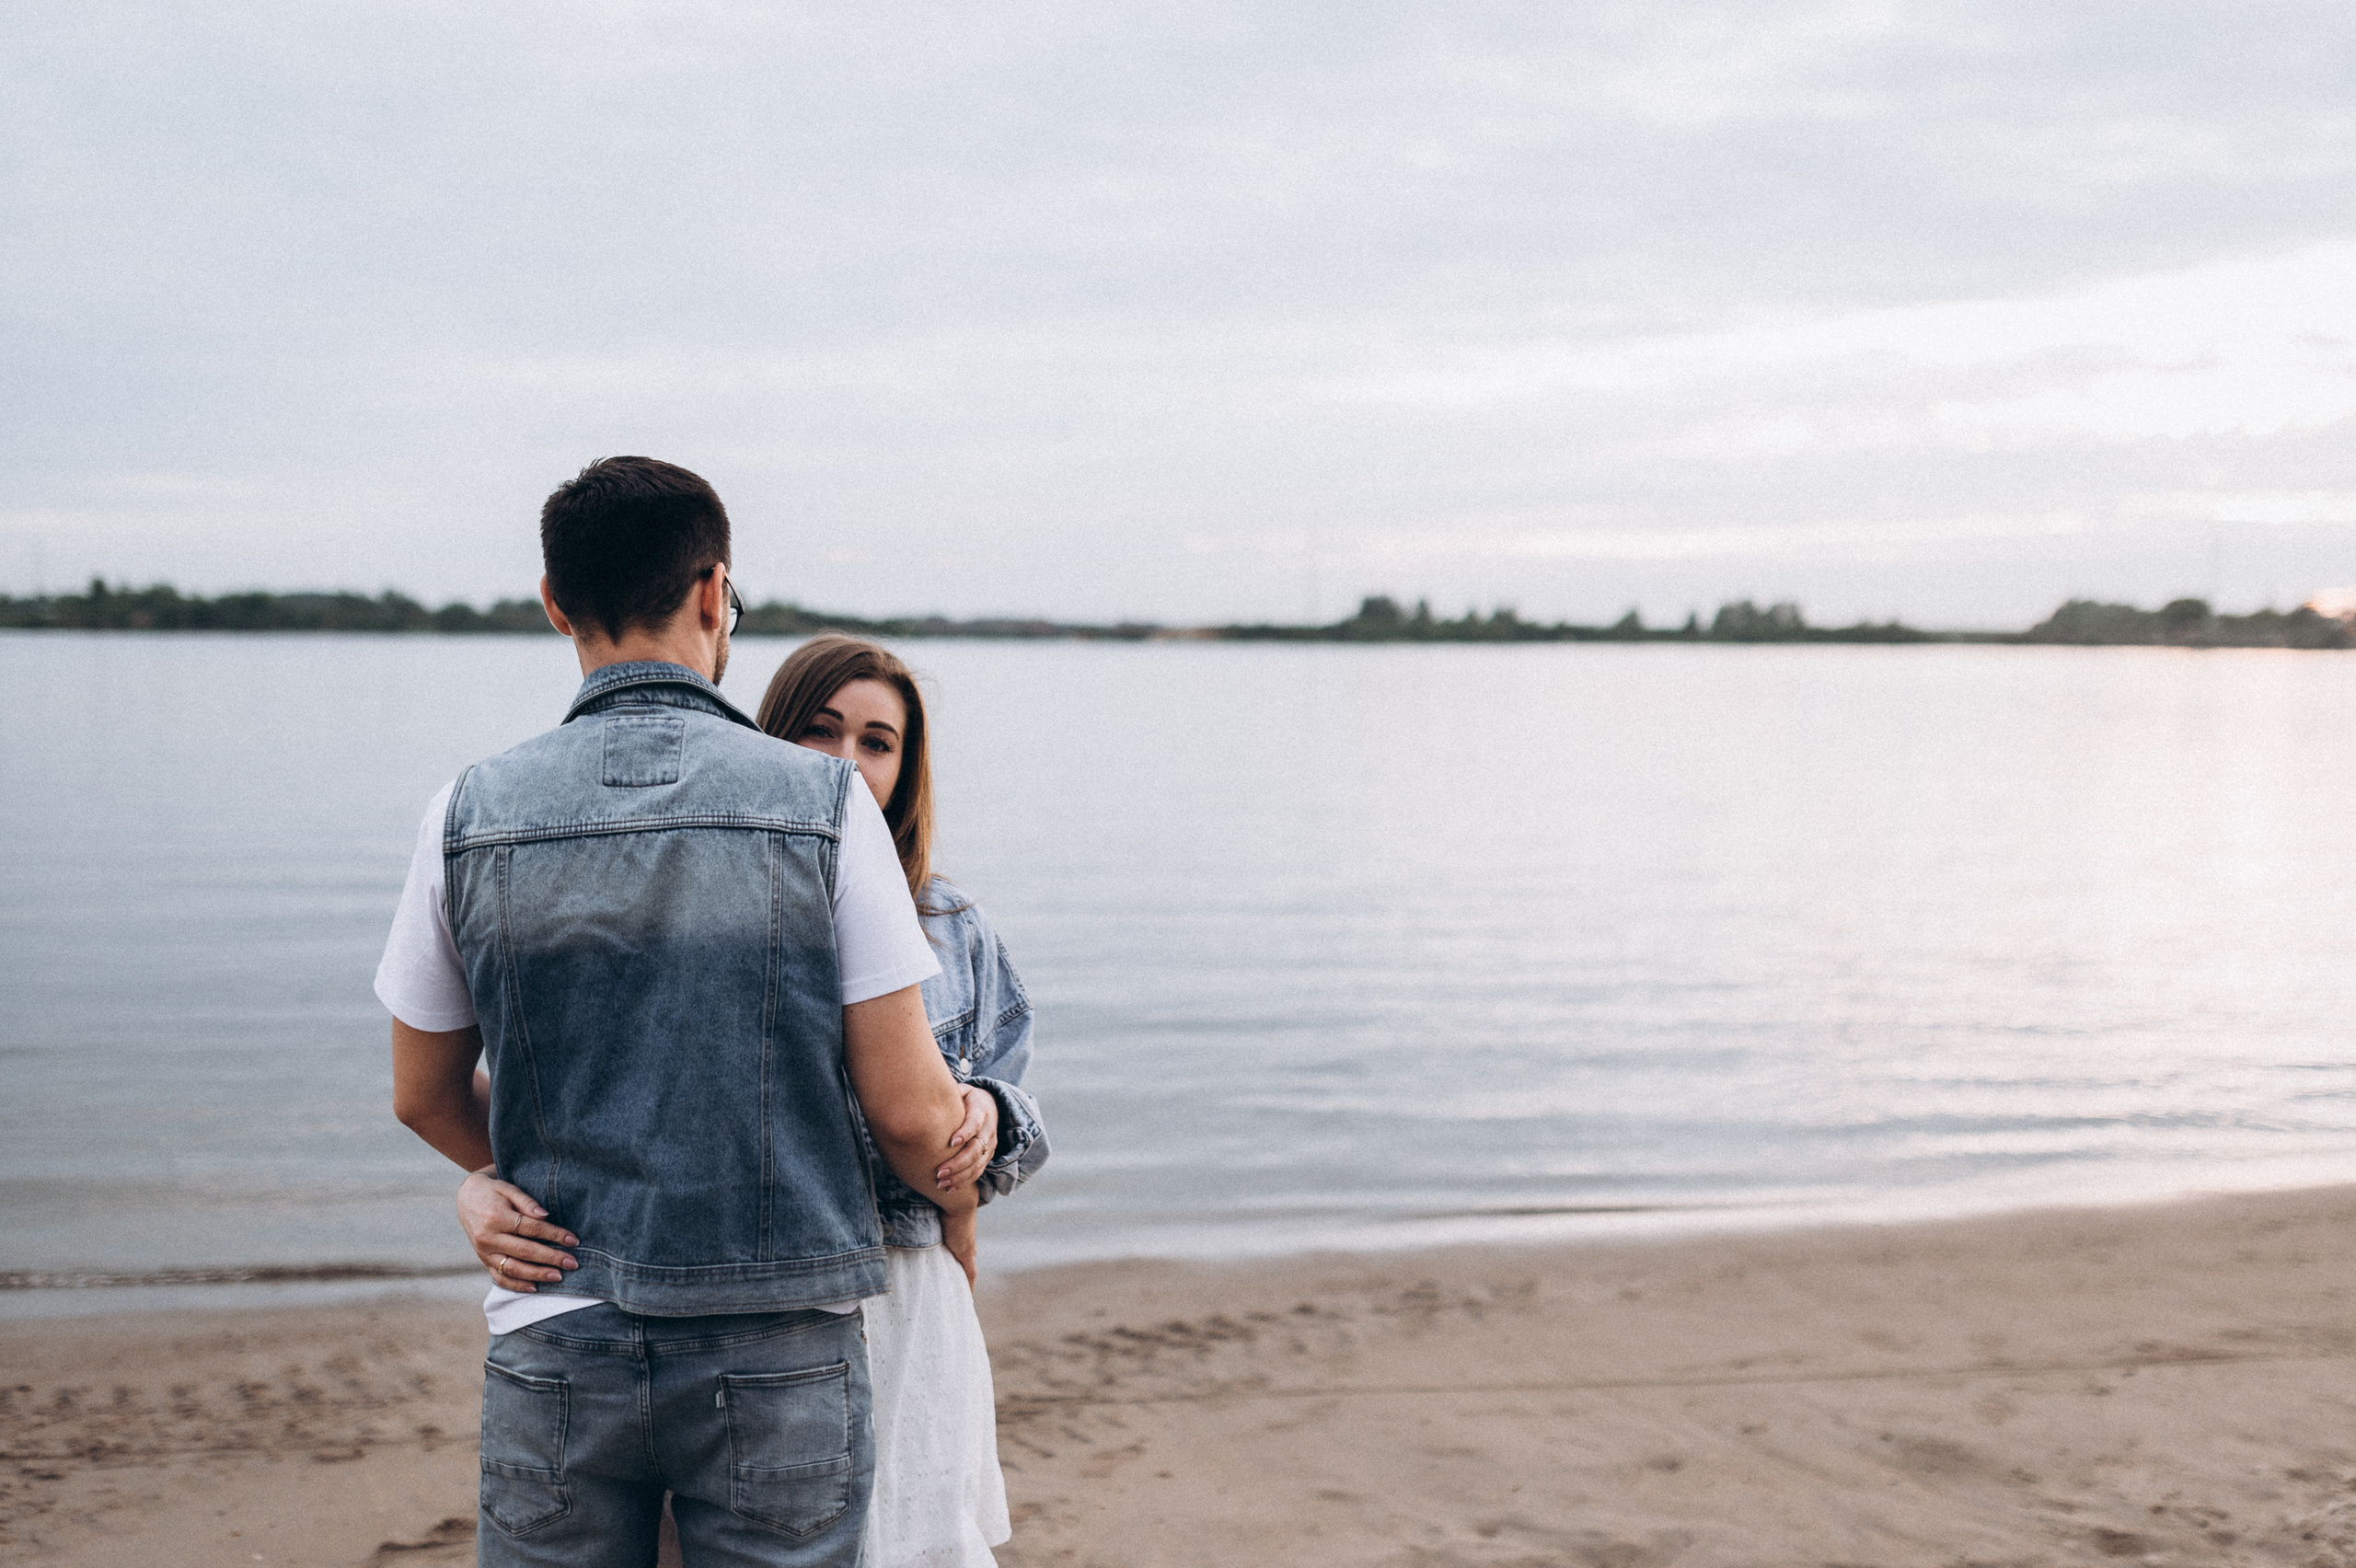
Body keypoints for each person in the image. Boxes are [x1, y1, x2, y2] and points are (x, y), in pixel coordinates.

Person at [375, 456, 979, 1568]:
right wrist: (987, 1131)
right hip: (779, 1344)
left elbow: (419, 1092)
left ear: (556, 606)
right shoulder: (824, 802)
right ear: (713, 594)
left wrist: (514, 1178)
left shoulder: (468, 811)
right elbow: (905, 1112)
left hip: (560, 1326)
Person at [758, 634, 1048, 1567]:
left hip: (914, 1294)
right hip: (775, 1297)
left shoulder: (950, 923)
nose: (847, 762)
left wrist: (995, 1117)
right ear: (772, 738)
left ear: (903, 768)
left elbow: (1000, 1098)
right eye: (819, 730)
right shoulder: (730, 911)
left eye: (876, 742)